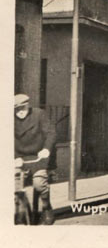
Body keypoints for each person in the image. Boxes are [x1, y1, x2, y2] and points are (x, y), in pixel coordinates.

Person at [14, 93, 56, 224]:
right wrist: (13, 157)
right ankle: (20, 213)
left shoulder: (39, 114)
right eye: (16, 109)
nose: (20, 112)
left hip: (38, 156)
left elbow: (51, 133)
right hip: (19, 157)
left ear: (28, 106)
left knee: (39, 184)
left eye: (23, 108)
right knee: (16, 188)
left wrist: (46, 149)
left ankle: (46, 207)